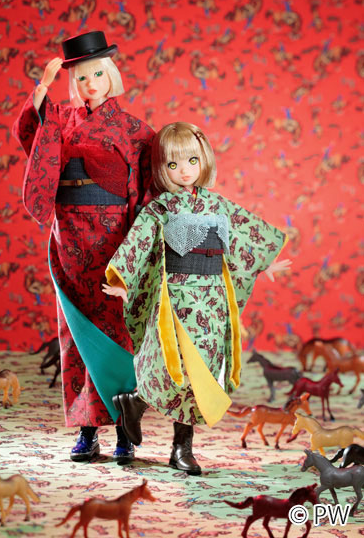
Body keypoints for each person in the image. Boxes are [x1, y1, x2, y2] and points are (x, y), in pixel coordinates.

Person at [102, 122, 291, 474]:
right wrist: (123, 280)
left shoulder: (218, 205)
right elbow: (138, 243)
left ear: (204, 159)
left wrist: (263, 263)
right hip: (176, 298)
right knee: (171, 366)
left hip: (213, 300)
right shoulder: (160, 209)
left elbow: (243, 238)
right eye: (173, 164)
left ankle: (180, 445)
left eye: (192, 160)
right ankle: (137, 402)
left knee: (201, 372)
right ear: (162, 169)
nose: (184, 170)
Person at [13, 31, 154, 465]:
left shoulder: (134, 130)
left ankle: (126, 430)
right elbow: (32, 137)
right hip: (70, 238)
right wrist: (43, 87)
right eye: (81, 77)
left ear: (111, 74)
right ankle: (87, 430)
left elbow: (147, 190)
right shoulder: (60, 118)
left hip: (114, 242)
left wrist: (139, 251)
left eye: (97, 74)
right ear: (72, 82)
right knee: (75, 338)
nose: (91, 84)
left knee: (118, 333)